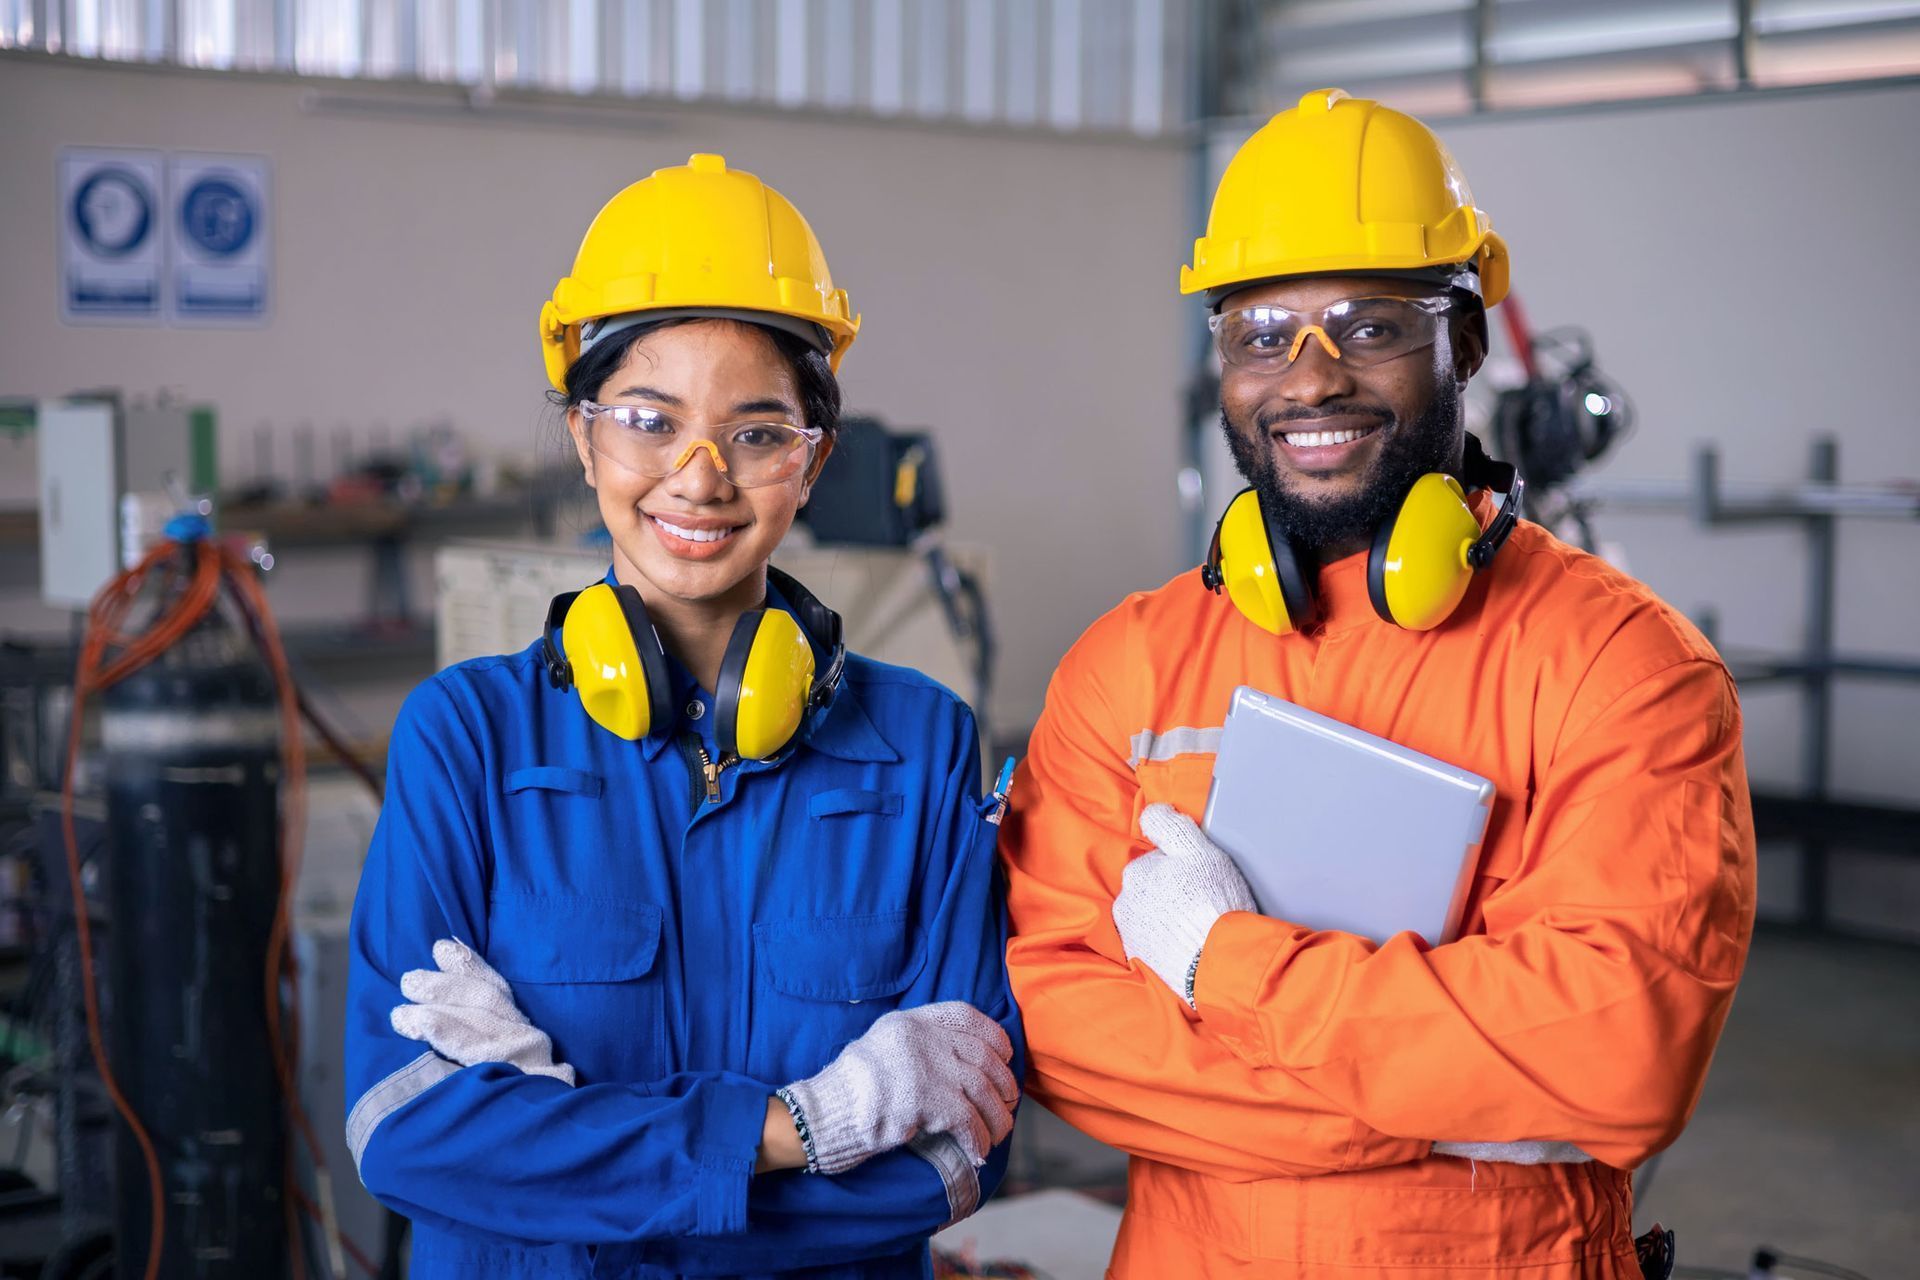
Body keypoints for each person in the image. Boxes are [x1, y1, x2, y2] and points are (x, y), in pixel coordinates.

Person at [998, 90, 1755, 1279]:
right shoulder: (1127, 662)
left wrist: (1217, 962)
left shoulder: (1625, 666)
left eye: (1370, 325)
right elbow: (1050, 1025)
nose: (1310, 379)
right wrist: (1449, 1111)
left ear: (1466, 343)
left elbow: (1620, 1052)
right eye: (1261, 333)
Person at [345, 153, 1022, 1280]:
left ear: (813, 461)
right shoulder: (465, 738)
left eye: (756, 433)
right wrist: (795, 1129)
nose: (700, 479)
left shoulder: (922, 747)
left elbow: (952, 1158)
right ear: (584, 438)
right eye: (648, 421)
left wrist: (557, 1151)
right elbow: (405, 1130)